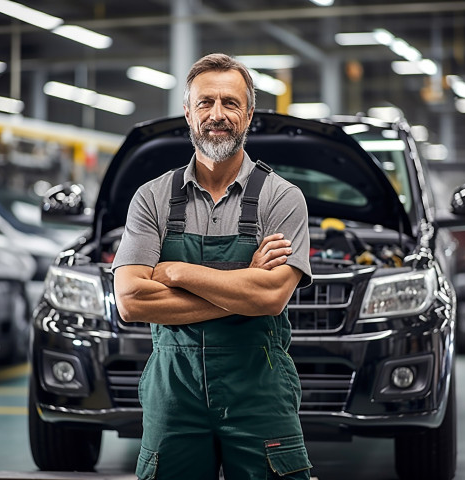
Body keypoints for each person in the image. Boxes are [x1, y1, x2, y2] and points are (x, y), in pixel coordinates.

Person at [113, 53, 313, 480]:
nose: (217, 115)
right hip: (174, 393)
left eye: (230, 103)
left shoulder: (282, 197)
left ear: (250, 114)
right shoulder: (152, 198)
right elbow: (130, 300)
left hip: (259, 391)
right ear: (188, 111)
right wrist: (244, 286)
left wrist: (175, 273)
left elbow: (272, 296)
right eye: (205, 103)